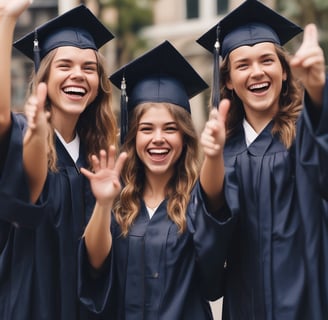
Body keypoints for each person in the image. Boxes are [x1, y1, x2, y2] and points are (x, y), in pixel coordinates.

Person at [78, 40, 234, 319]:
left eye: (171, 129)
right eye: (147, 128)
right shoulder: (116, 197)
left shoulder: (195, 200)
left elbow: (213, 196)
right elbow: (95, 264)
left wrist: (214, 154)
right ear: (133, 136)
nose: (158, 139)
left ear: (185, 138)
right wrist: (102, 205)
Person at [197, 0, 328, 319]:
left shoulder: (304, 136)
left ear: (284, 71)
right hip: (246, 307)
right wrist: (211, 162)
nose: (257, 72)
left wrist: (318, 94)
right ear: (227, 80)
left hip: (309, 303)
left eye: (267, 60)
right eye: (243, 65)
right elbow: (208, 259)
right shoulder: (222, 152)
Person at [0, 1, 118, 319]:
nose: (78, 75)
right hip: (28, 305)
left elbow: (97, 264)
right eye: (64, 66)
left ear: (98, 86)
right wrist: (6, 19)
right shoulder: (22, 135)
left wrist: (105, 204)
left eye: (89, 68)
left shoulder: (100, 159)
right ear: (44, 77)